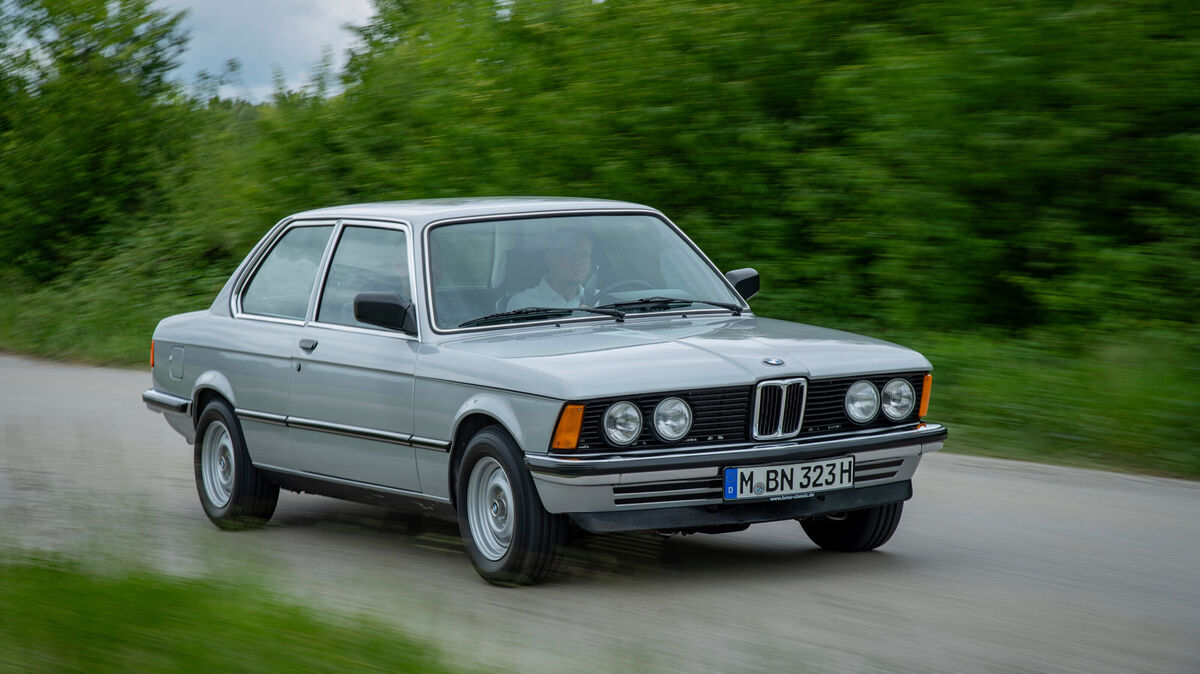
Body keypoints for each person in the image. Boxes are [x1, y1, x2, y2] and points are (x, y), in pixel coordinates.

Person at [506, 231, 594, 311]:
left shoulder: (601, 301)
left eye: (583, 255)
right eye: (568, 254)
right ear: (549, 259)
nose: (577, 262)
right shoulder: (523, 304)